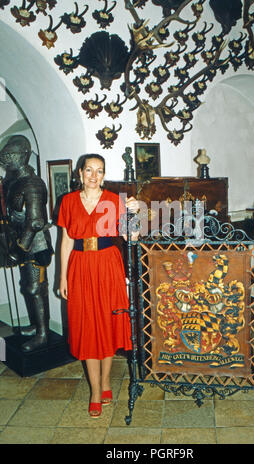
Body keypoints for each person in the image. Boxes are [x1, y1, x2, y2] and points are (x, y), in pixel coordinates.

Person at [57, 153, 139, 418]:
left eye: (99, 171)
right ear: (80, 173)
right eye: (89, 170)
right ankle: (95, 390)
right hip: (80, 267)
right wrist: (62, 277)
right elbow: (67, 241)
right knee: (87, 327)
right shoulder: (68, 202)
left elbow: (131, 236)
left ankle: (105, 383)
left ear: (104, 174)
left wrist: (135, 212)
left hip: (108, 266)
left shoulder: (116, 201)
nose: (94, 176)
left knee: (107, 324)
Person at [0, 135, 53, 352]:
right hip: (22, 242)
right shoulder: (15, 182)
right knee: (27, 287)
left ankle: (43, 334)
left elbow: (35, 222)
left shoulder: (31, 184)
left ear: (22, 156)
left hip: (34, 244)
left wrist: (19, 249)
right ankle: (36, 325)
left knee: (34, 287)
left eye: (9, 156)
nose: (6, 160)